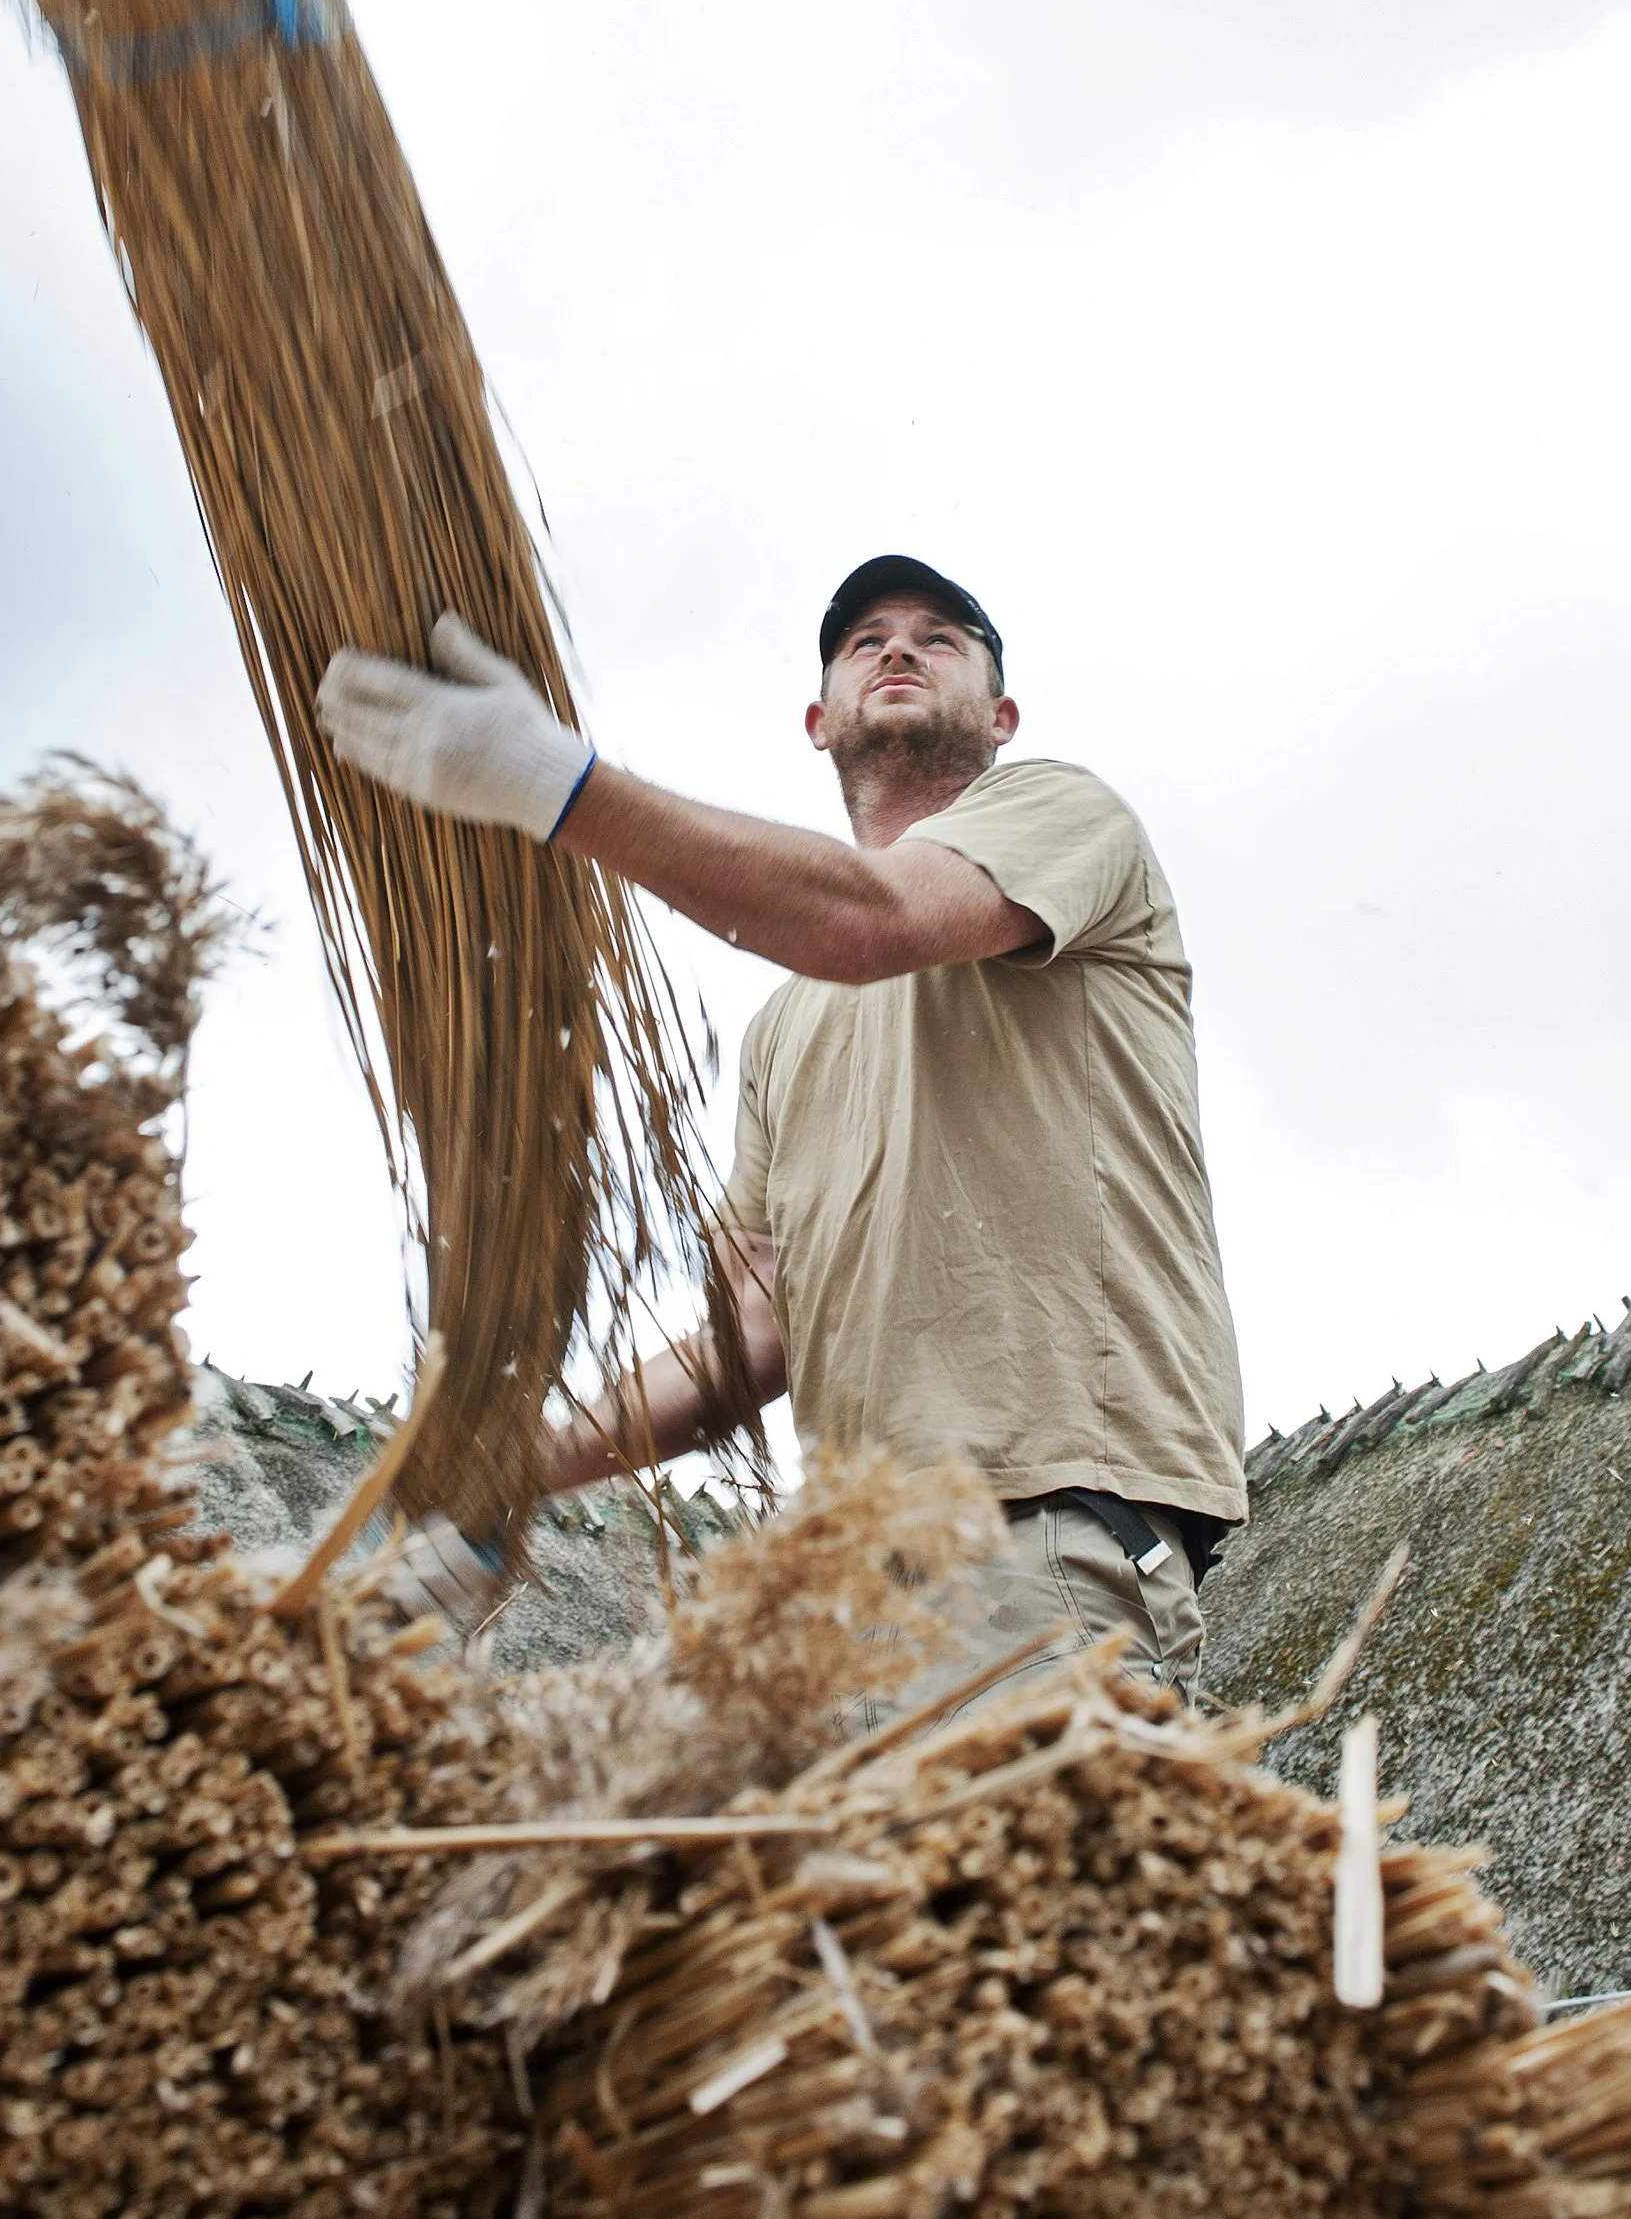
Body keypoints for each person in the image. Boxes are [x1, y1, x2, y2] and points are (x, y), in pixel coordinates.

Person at [317, 557, 1247, 1695]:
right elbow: (749, 1333)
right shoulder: (783, 1033)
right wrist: (505, 1475)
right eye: (864, 641)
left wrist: (554, 784)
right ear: (818, 722)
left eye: (940, 638)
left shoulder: (1069, 816)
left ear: (1001, 717)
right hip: (843, 1584)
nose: (897, 648)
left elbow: (868, 920)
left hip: (1038, 1523)